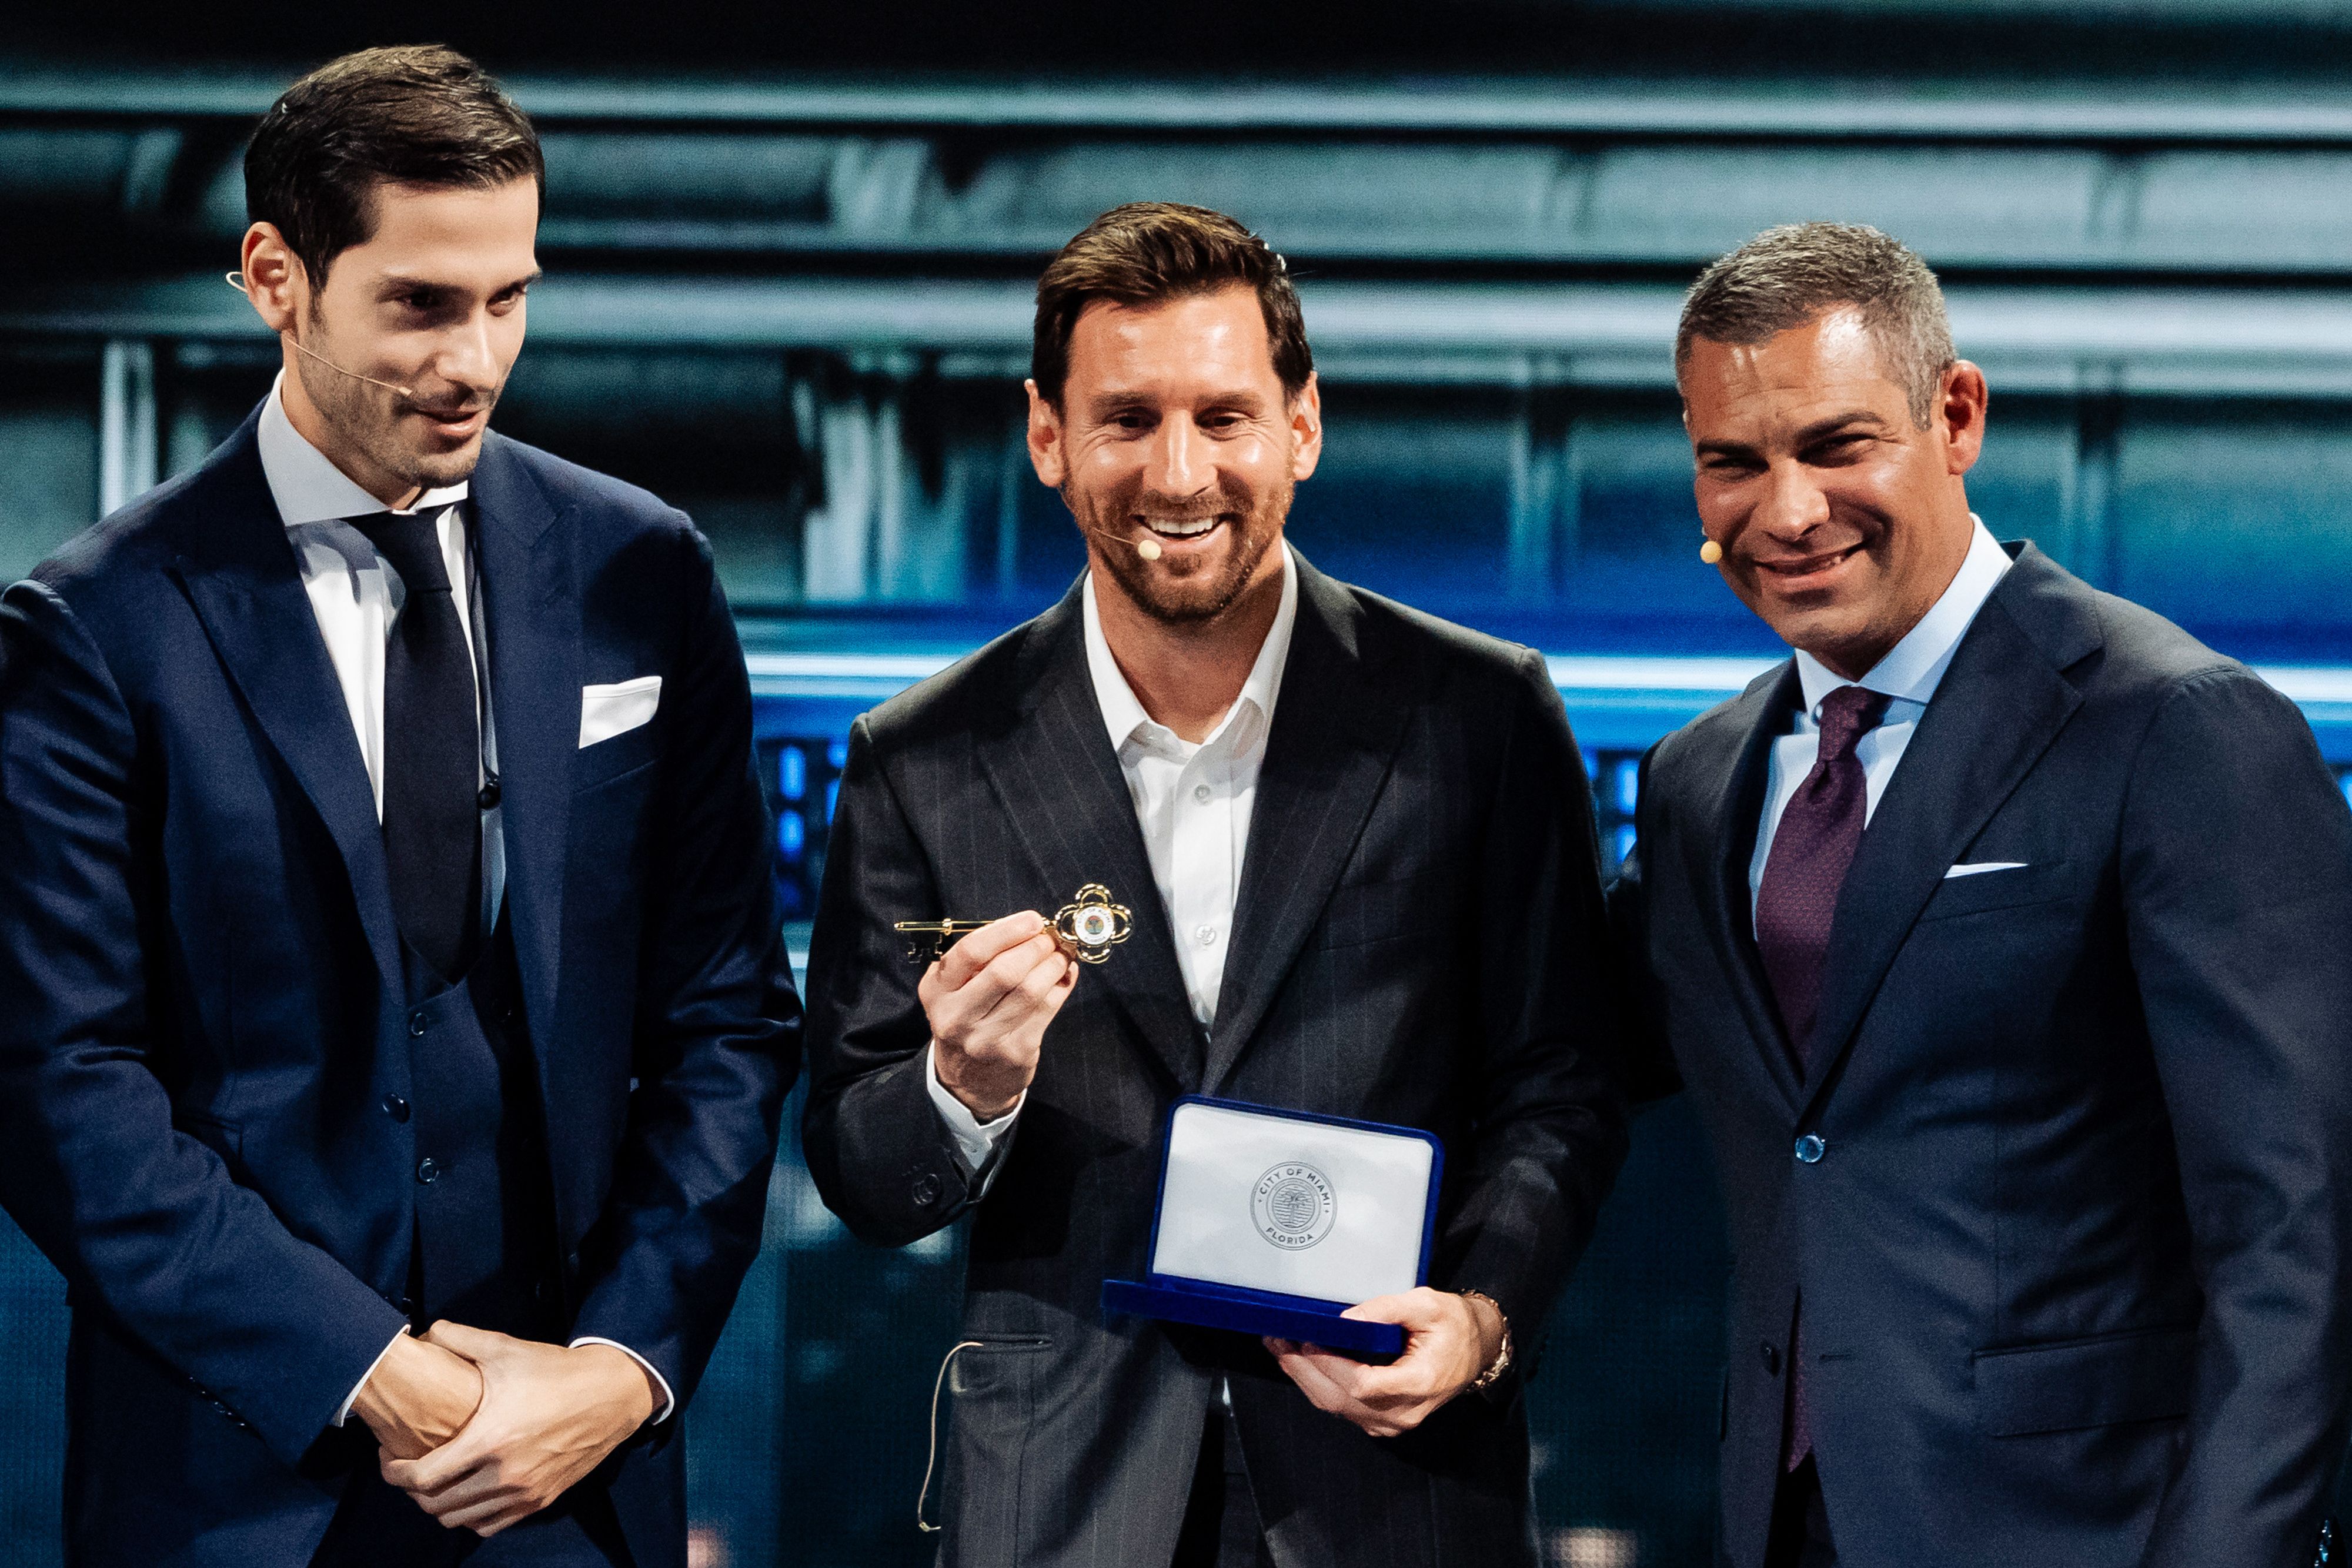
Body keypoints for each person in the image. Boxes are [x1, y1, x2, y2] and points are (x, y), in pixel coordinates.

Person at [0, 46, 799, 1567]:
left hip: (571, 1482)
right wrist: (379, 1369)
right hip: (239, 1488)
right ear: (274, 276)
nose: (477, 361)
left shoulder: (645, 572)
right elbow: (61, 1086)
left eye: (510, 297)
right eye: (422, 304)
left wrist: (620, 1367)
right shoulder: (95, 629)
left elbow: (727, 1020)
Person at [800, 202, 1626, 1568]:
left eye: (1223, 416)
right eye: (1126, 419)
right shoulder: (923, 755)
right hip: (1055, 1506)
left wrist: (1479, 1315)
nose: (1179, 474)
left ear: (1299, 426)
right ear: (1046, 435)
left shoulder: (1475, 715)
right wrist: (962, 1090)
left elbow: (1562, 1081)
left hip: (1394, 1483)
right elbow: (860, 1163)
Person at [1609, 220, 2352, 1567]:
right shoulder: (1695, 778)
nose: (1782, 510)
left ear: (1953, 416)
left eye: (1834, 444)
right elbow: (1553, 1051)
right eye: (1732, 461)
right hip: (1781, 1528)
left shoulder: (2176, 726)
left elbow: (2293, 1233)